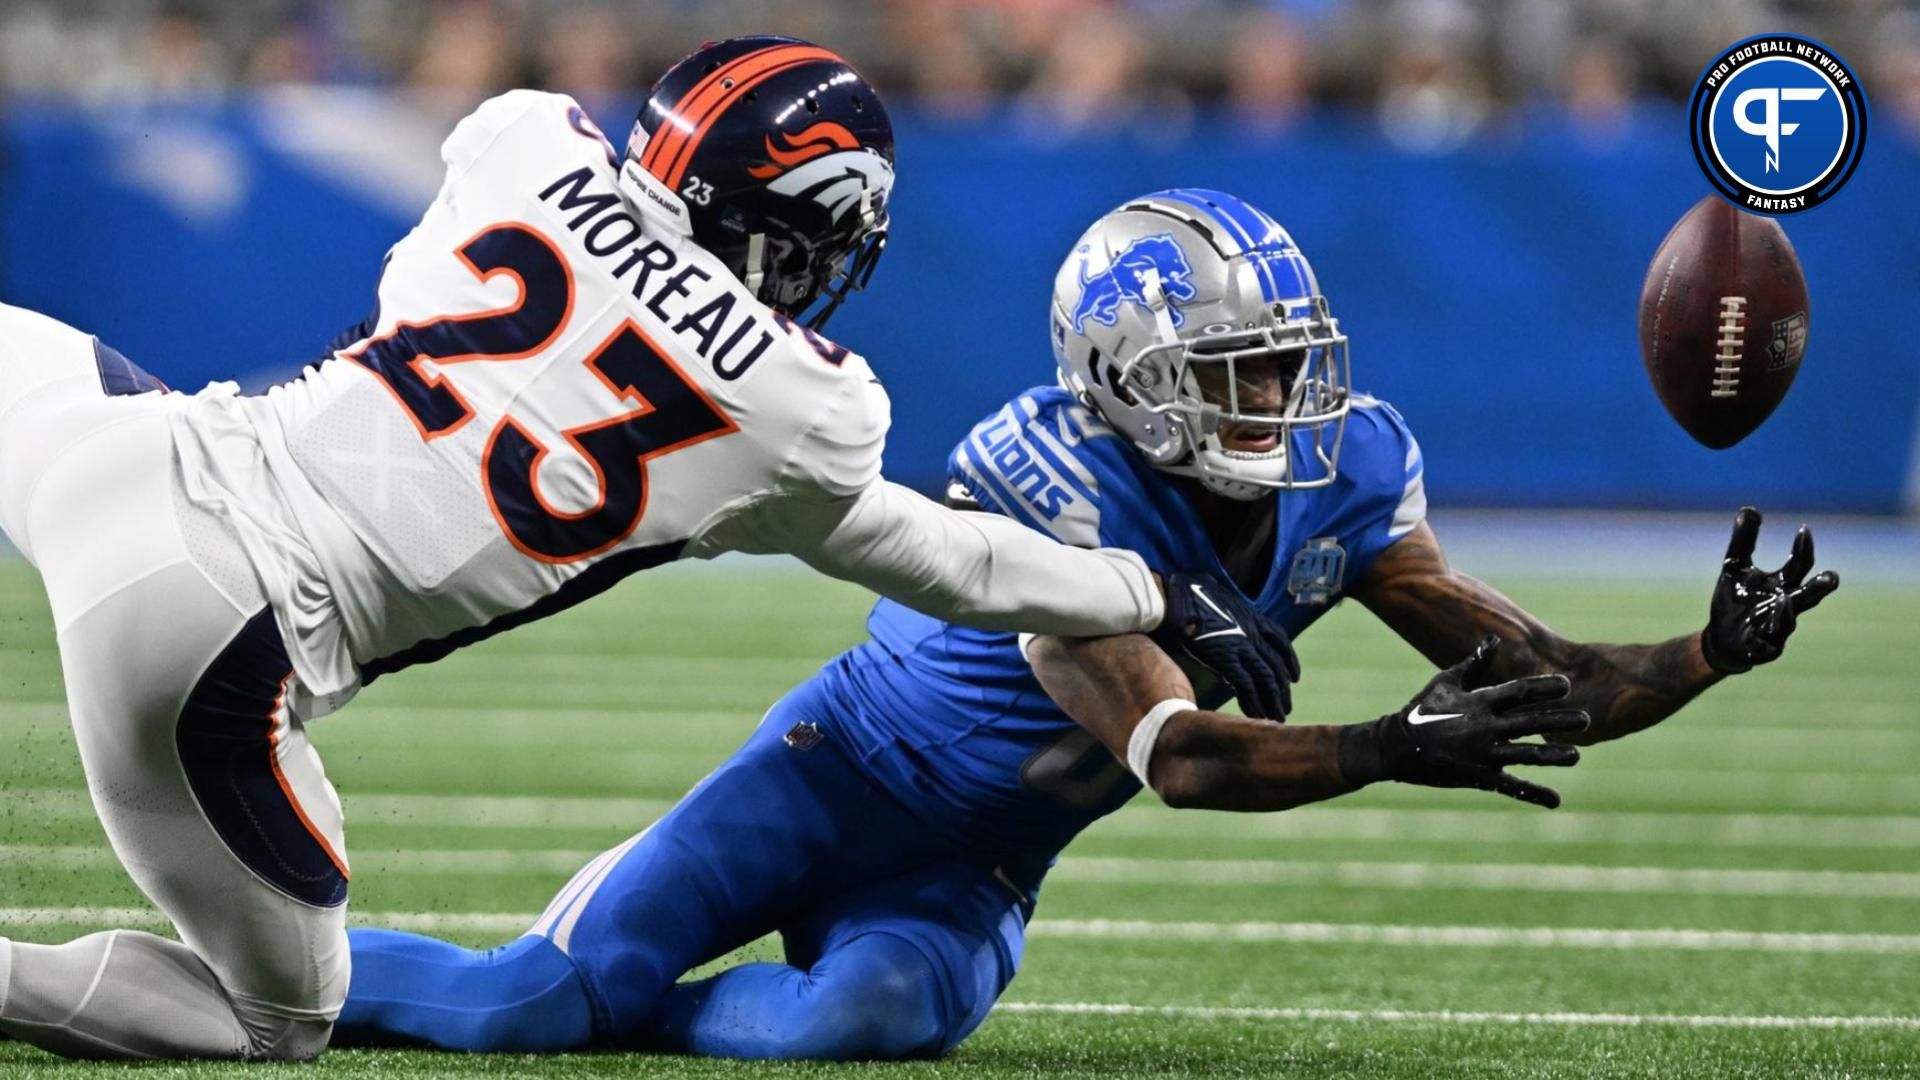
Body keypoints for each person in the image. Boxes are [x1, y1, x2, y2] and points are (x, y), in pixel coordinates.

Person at [0, 42, 1296, 1062]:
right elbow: (952, 563)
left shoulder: (523, 136)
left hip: (134, 446)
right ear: (799, 232)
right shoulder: (800, 406)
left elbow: (506, 165)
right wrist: (1150, 587)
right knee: (275, 1019)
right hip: (222, 639)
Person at [330, 191, 1836, 1059]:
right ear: (1126, 372)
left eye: (1287, 365)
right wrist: (1387, 745)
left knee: (848, 1029)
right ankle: (225, 978)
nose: (1281, 402)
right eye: (1240, 370)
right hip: (828, 775)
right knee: (525, 1001)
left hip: (977, 866)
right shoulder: (1036, 472)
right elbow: (1176, 755)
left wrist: (1706, 656)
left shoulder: (1349, 471)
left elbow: (1541, 681)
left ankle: (632, 1013)